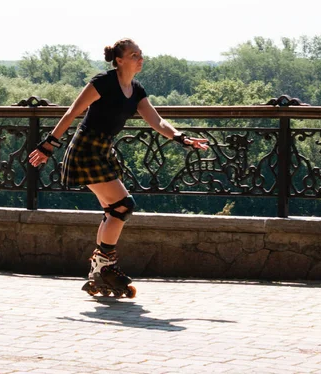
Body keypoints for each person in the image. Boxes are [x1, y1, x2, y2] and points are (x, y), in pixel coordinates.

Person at [28, 38, 208, 296]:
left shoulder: (136, 90)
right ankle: (104, 266)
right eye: (134, 55)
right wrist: (48, 145)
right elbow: (72, 112)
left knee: (114, 209)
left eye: (140, 54)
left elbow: (157, 121)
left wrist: (182, 138)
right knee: (123, 205)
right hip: (86, 149)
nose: (140, 58)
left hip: (103, 150)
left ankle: (101, 268)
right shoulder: (103, 82)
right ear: (119, 60)